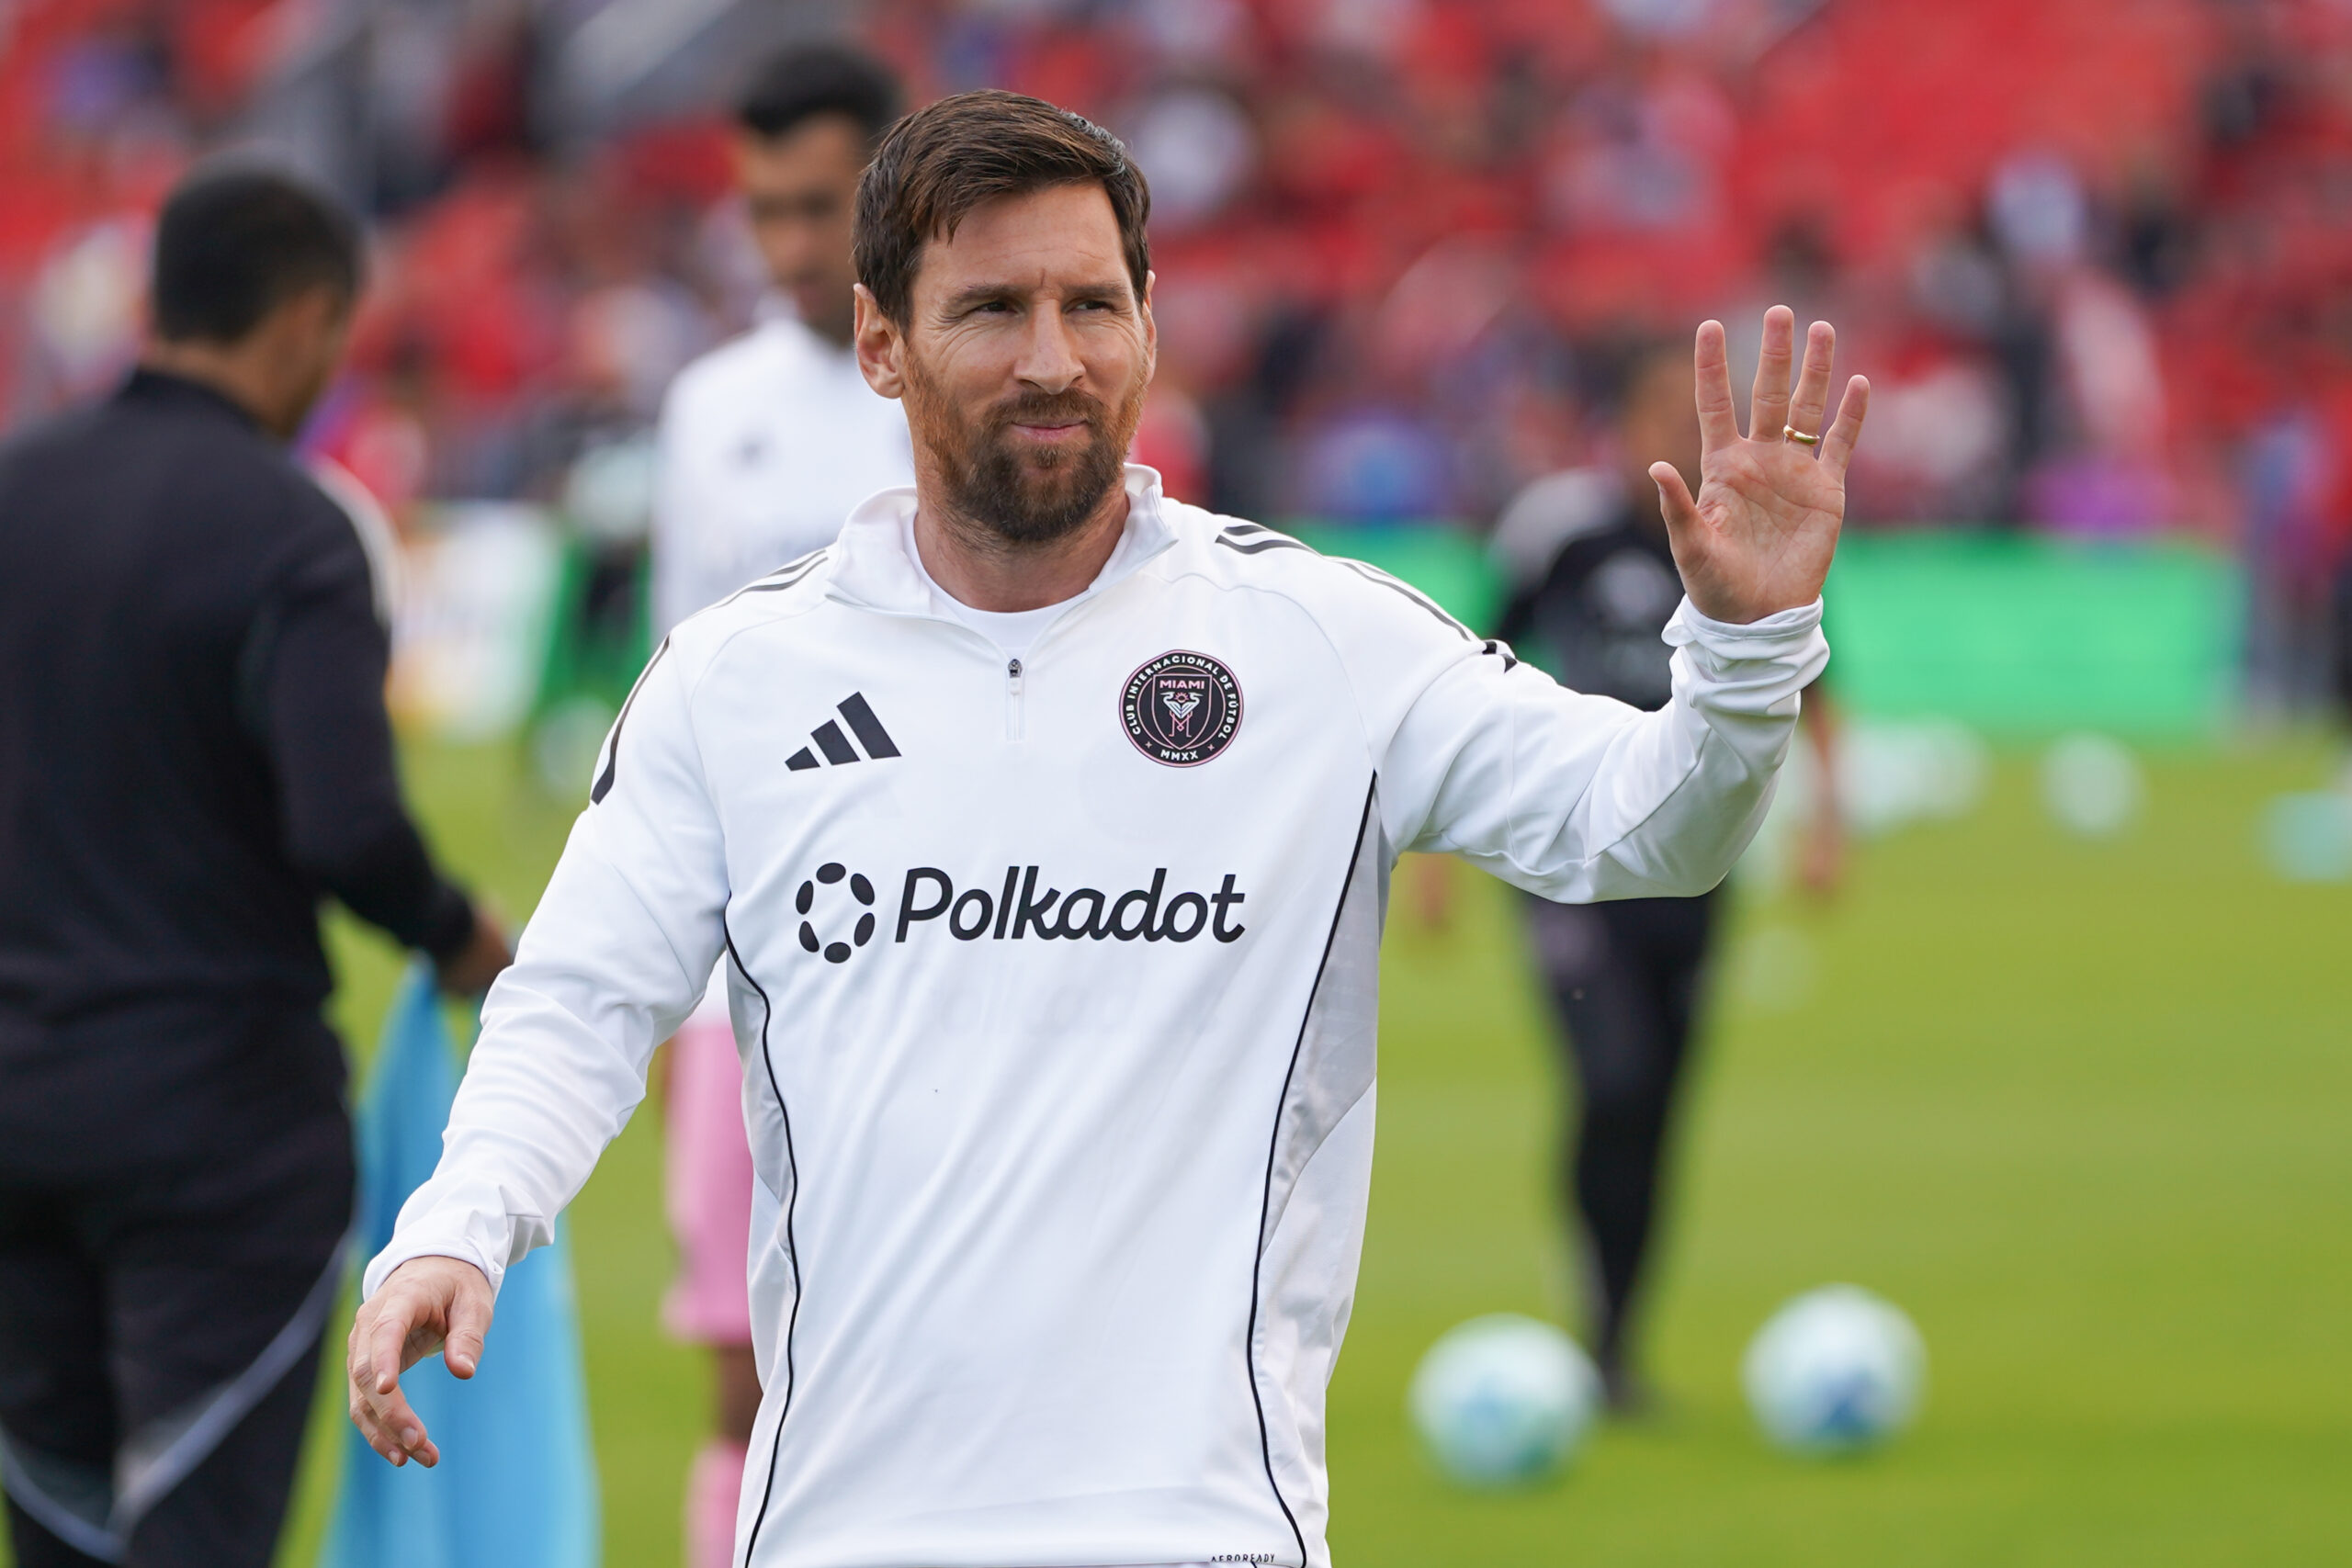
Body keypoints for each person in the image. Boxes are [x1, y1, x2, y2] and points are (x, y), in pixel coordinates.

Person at [349, 91, 1869, 1568]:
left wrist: (1743, 659)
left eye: (1093, 303)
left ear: (1151, 319)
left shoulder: (1317, 642)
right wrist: (459, 1223)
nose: (1052, 358)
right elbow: (578, 1000)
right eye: (993, 309)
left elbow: (1644, 827)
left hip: (1202, 1530)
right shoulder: (736, 683)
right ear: (881, 340)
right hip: (848, 1531)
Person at [0, 165, 508, 1568]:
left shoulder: (14, 488)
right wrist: (462, 933)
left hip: (17, 1115)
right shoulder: (296, 529)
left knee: (62, 1533)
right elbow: (343, 826)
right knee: (195, 1536)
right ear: (302, 320)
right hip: (212, 1131)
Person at [647, 41, 912, 1568]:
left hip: (950, 941)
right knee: (740, 1372)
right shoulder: (710, 407)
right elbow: (674, 689)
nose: (795, 247)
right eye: (767, 212)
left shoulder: (977, 377)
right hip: (752, 963)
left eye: (822, 205)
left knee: (937, 1367)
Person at [1493, 342, 1847, 1412]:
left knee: (1660, 1110)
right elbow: (1475, 665)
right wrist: (1425, 859)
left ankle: (1613, 1343)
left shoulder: (1748, 539)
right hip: (1566, 860)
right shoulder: (1564, 535)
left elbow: (1820, 674)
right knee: (1614, 1081)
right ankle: (1592, 1298)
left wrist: (1831, 821)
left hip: (1695, 869)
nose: (1675, 433)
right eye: (1656, 412)